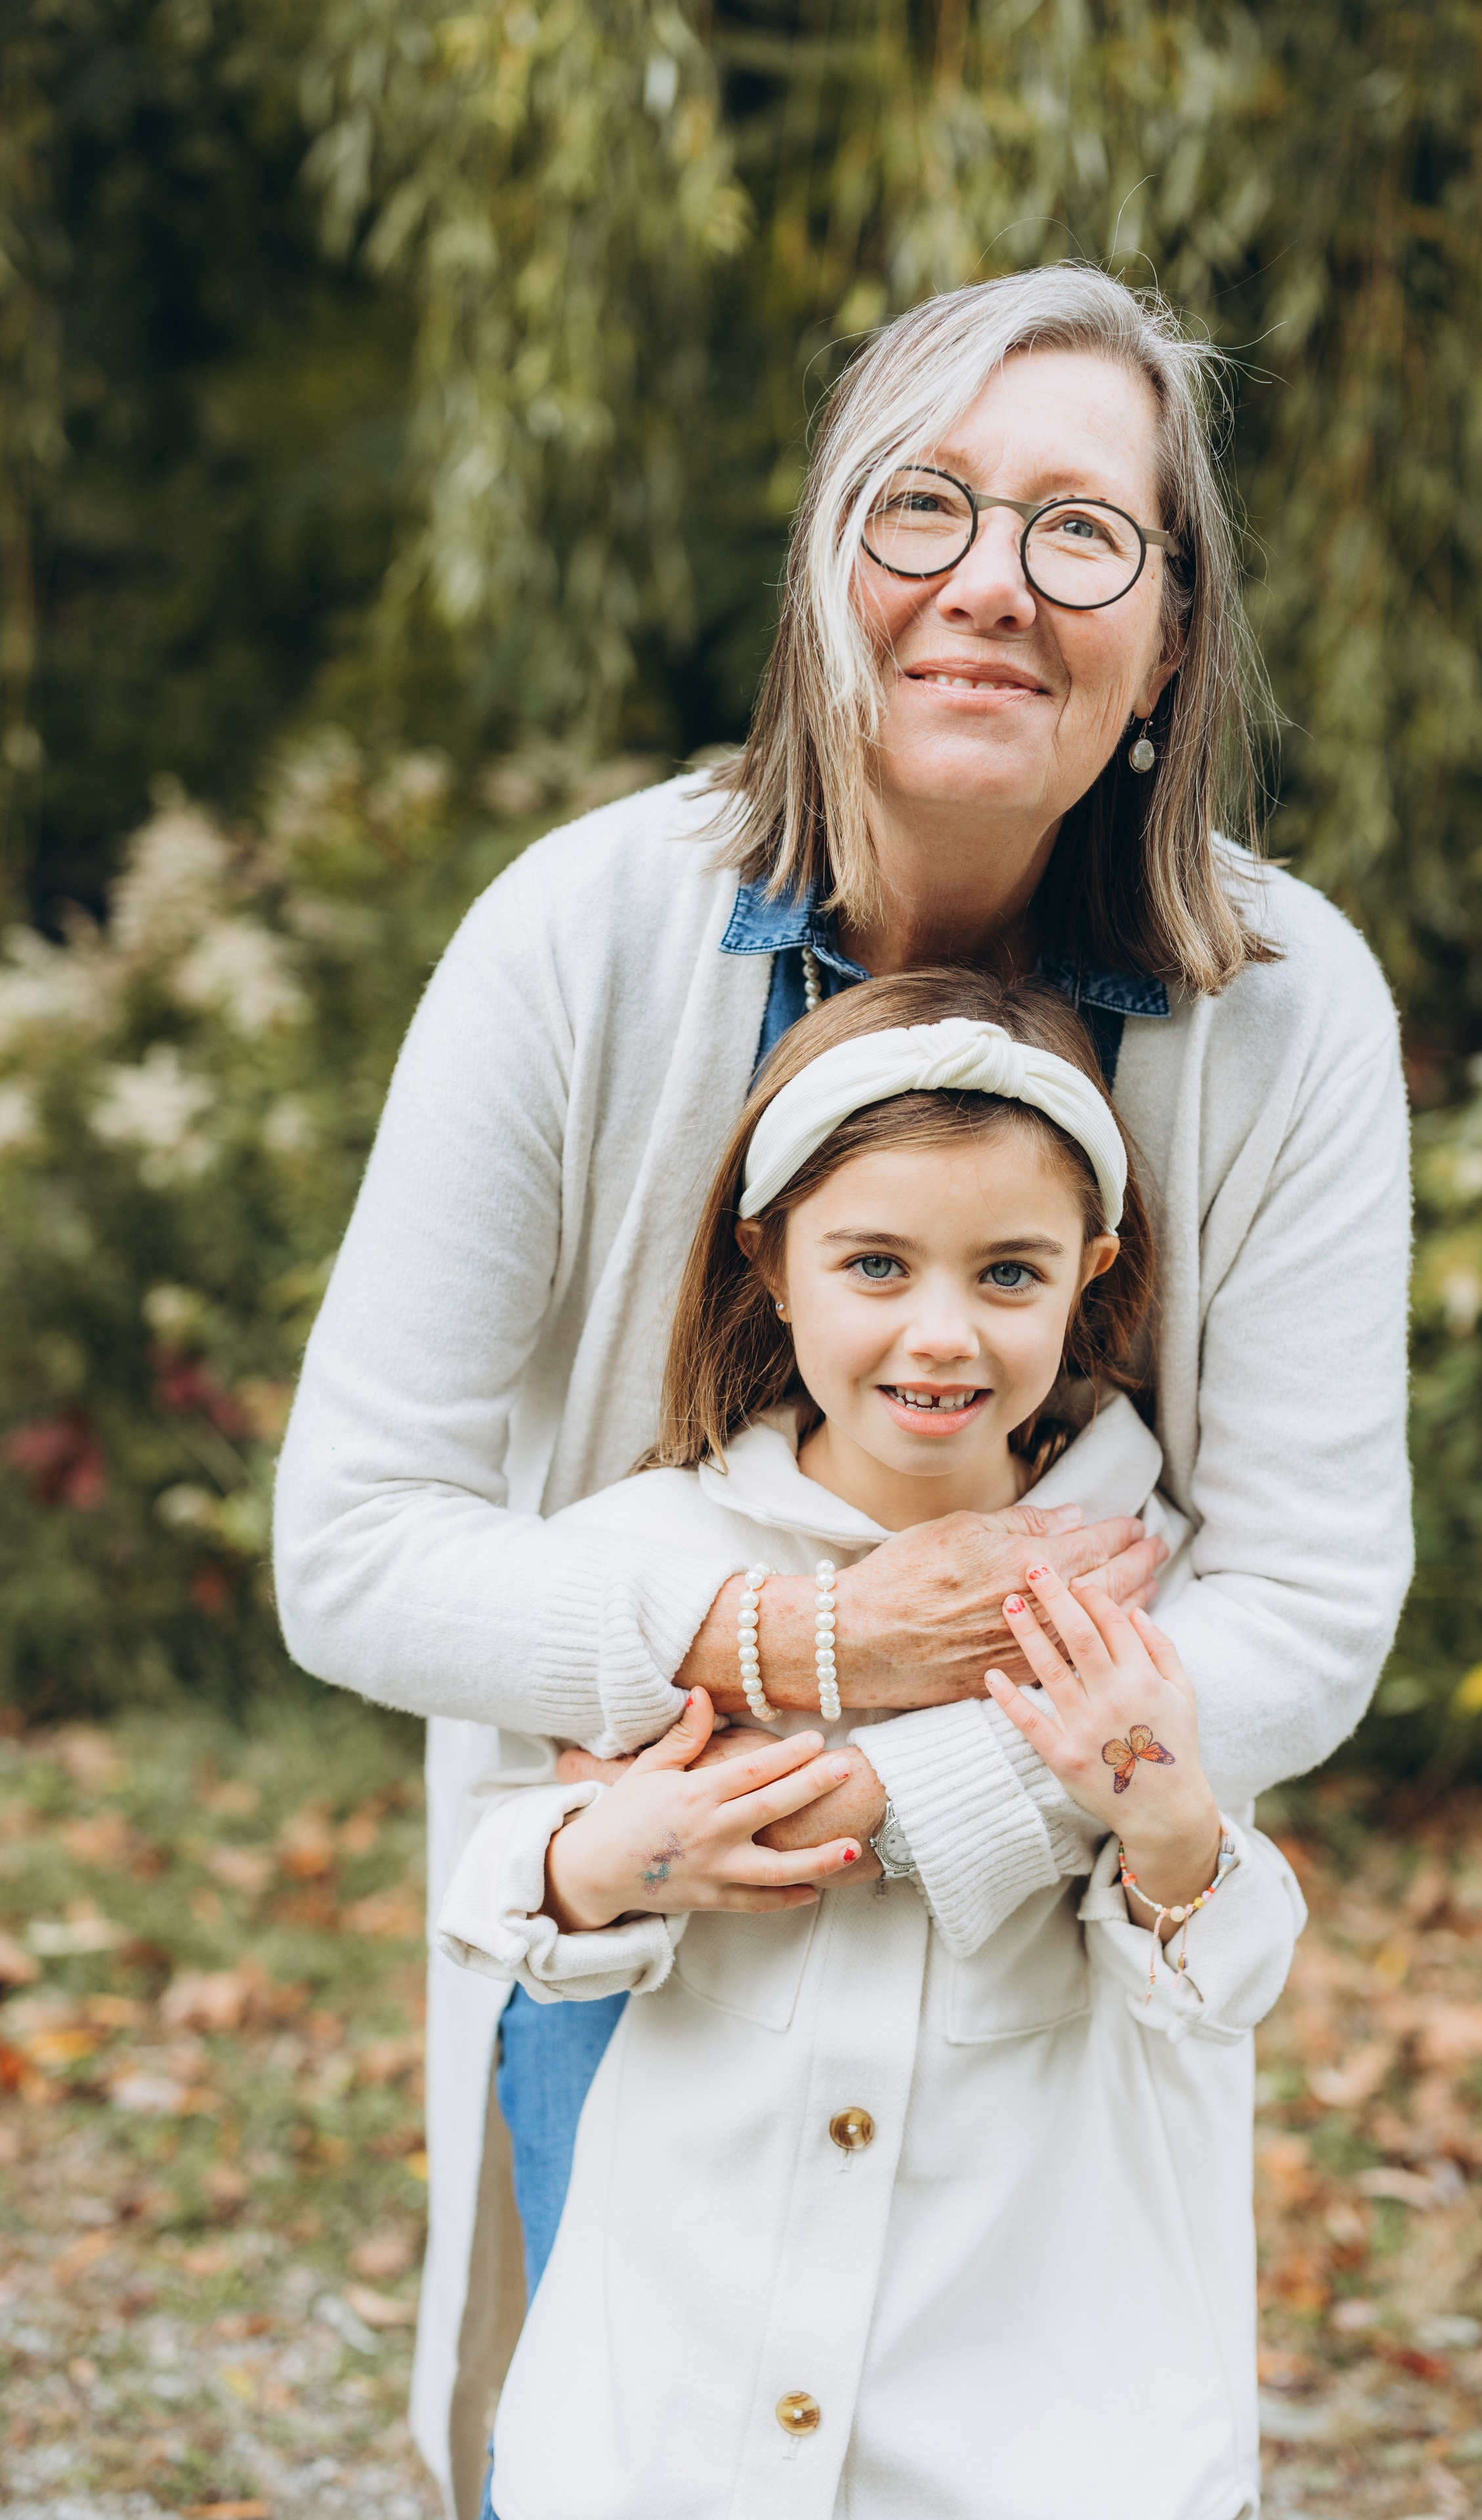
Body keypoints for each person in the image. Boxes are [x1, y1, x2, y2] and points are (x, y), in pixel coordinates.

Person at [272, 262, 1412, 2516]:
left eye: (1084, 532)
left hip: (1054, 1998)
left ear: (1172, 635)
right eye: (922, 509)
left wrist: (937, 1792)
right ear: (822, 573)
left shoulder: (1289, 1016)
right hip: (651, 1929)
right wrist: (790, 1648)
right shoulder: (577, 935)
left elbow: (1300, 1604)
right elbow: (354, 1547)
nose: (991, 585)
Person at [436, 973, 1306, 2520]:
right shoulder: (657, 1559)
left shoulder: (1138, 1570)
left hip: (1011, 2380)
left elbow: (1208, 1985)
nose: (940, 1333)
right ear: (771, 1264)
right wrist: (610, 1861)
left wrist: (1170, 1830)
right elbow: (502, 1866)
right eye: (877, 1265)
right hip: (681, 2382)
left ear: (1088, 1276)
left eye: (1009, 1273)